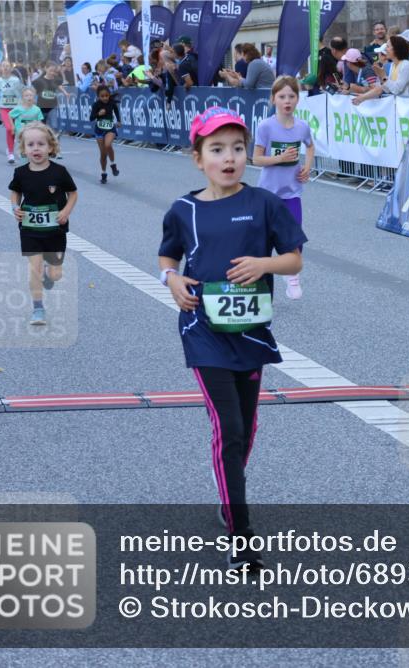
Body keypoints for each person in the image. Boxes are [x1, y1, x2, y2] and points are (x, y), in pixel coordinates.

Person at [158, 107, 305, 569]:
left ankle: (228, 489)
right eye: (217, 149)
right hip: (202, 329)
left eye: (238, 149)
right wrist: (171, 280)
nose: (229, 158)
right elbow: (167, 257)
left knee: (246, 428)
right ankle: (241, 536)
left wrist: (264, 264)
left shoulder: (264, 203)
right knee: (229, 428)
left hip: (251, 332)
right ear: (198, 158)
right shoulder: (183, 210)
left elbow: (294, 259)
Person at [9, 122, 78, 326]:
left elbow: (73, 193)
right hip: (30, 230)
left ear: (50, 147)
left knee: (56, 275)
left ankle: (50, 273)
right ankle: (38, 308)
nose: (36, 148)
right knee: (35, 269)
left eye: (41, 144)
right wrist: (15, 207)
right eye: (30, 145)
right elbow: (15, 192)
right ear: (24, 149)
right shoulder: (21, 173)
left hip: (55, 231)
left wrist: (66, 211)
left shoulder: (60, 172)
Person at [252, 77, 313, 300]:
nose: (287, 101)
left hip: (292, 192)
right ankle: (258, 283)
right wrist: (279, 158)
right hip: (268, 194)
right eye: (282, 96)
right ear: (273, 99)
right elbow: (256, 159)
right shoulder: (266, 127)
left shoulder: (302, 126)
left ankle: (292, 275)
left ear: (297, 99)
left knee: (294, 236)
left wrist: (307, 167)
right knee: (264, 240)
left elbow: (310, 146)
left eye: (291, 96)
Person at [353, 36, 409, 104]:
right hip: (398, 105)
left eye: (388, 46)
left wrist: (383, 76)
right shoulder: (393, 65)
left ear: (396, 49)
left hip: (407, 106)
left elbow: (396, 90)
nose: (386, 49)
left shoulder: (406, 65)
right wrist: (380, 77)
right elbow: (388, 89)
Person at [0, 61, 25, 164]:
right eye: (4, 66)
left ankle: (16, 148)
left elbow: (22, 91)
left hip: (16, 108)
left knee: (17, 130)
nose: (6, 68)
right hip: (4, 108)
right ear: (1, 68)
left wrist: (26, 101)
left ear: (11, 68)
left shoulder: (15, 80)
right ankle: (10, 153)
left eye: (7, 66)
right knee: (9, 128)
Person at [89, 85, 121, 184]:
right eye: (102, 96)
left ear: (109, 95)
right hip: (99, 129)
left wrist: (119, 121)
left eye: (106, 95)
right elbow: (91, 118)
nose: (105, 98)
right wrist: (99, 114)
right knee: (103, 154)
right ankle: (103, 173)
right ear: (98, 96)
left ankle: (113, 164)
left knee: (108, 145)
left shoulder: (112, 102)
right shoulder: (96, 105)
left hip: (110, 128)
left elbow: (116, 110)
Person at [9, 87, 45, 163]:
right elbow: (10, 115)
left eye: (31, 95)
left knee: (31, 149)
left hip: (32, 133)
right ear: (23, 98)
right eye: (26, 96)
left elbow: (40, 121)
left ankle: (30, 161)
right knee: (23, 150)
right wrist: (12, 126)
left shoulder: (37, 109)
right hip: (21, 133)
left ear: (34, 97)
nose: (29, 97)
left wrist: (41, 130)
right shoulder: (18, 109)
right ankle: (24, 161)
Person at [33, 62, 66, 136]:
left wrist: (65, 93)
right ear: (46, 69)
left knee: (54, 125)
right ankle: (44, 139)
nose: (52, 72)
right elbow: (34, 91)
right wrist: (32, 101)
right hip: (42, 106)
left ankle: (54, 139)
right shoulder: (39, 80)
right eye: (50, 70)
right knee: (42, 126)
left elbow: (60, 86)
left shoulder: (56, 80)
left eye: (54, 71)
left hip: (53, 106)